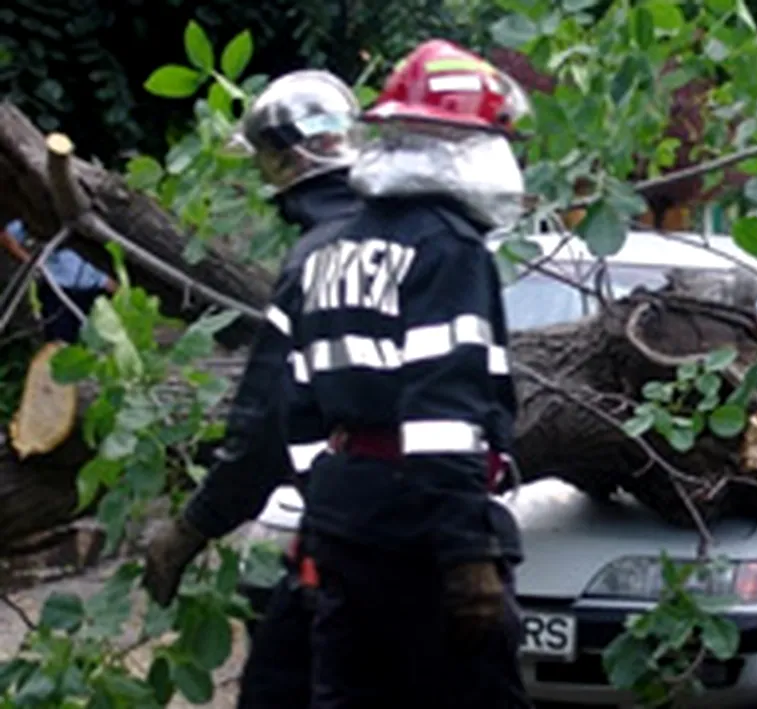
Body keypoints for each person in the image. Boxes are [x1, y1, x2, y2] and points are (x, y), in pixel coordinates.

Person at [291, 40, 532, 707]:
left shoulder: (333, 248)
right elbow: (443, 415)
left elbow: (300, 404)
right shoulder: (447, 248)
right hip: (422, 540)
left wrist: (325, 514)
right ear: (467, 148)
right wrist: (466, 555)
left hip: (346, 524)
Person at [139, 69, 365, 709]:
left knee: (277, 692)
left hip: (347, 533)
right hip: (421, 530)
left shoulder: (316, 259)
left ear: (285, 161)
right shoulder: (408, 239)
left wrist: (192, 527)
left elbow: (265, 417)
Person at [0, 218, 116, 343]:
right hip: (57, 285)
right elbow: (6, 236)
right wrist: (33, 262)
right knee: (59, 342)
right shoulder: (36, 218)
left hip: (97, 284)